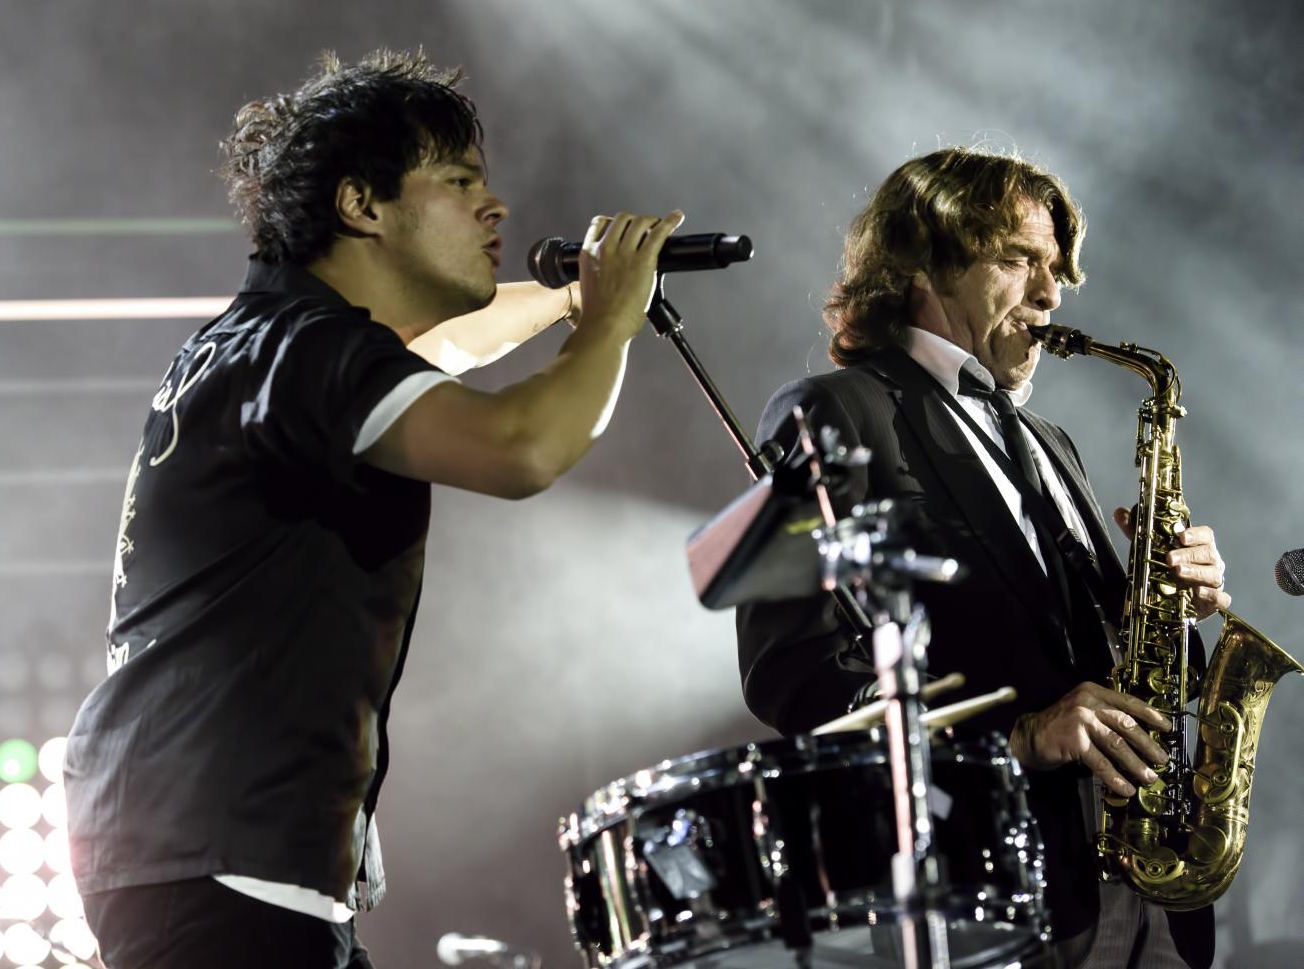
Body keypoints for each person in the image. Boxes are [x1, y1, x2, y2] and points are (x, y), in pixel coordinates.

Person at [63, 49, 682, 969]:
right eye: (459, 179)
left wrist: (569, 300)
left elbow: (454, 344)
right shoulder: (309, 353)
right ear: (362, 206)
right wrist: (608, 325)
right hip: (226, 861)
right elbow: (523, 449)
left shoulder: (266, 342)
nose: (495, 205)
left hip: (189, 848)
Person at [736, 147, 1228, 968]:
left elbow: (1118, 667)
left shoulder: (1050, 442)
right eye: (1018, 260)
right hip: (987, 897)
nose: (1050, 293)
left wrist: (1175, 606)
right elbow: (790, 674)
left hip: (1139, 881)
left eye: (1057, 269)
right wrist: (1022, 735)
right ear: (926, 262)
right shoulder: (825, 412)